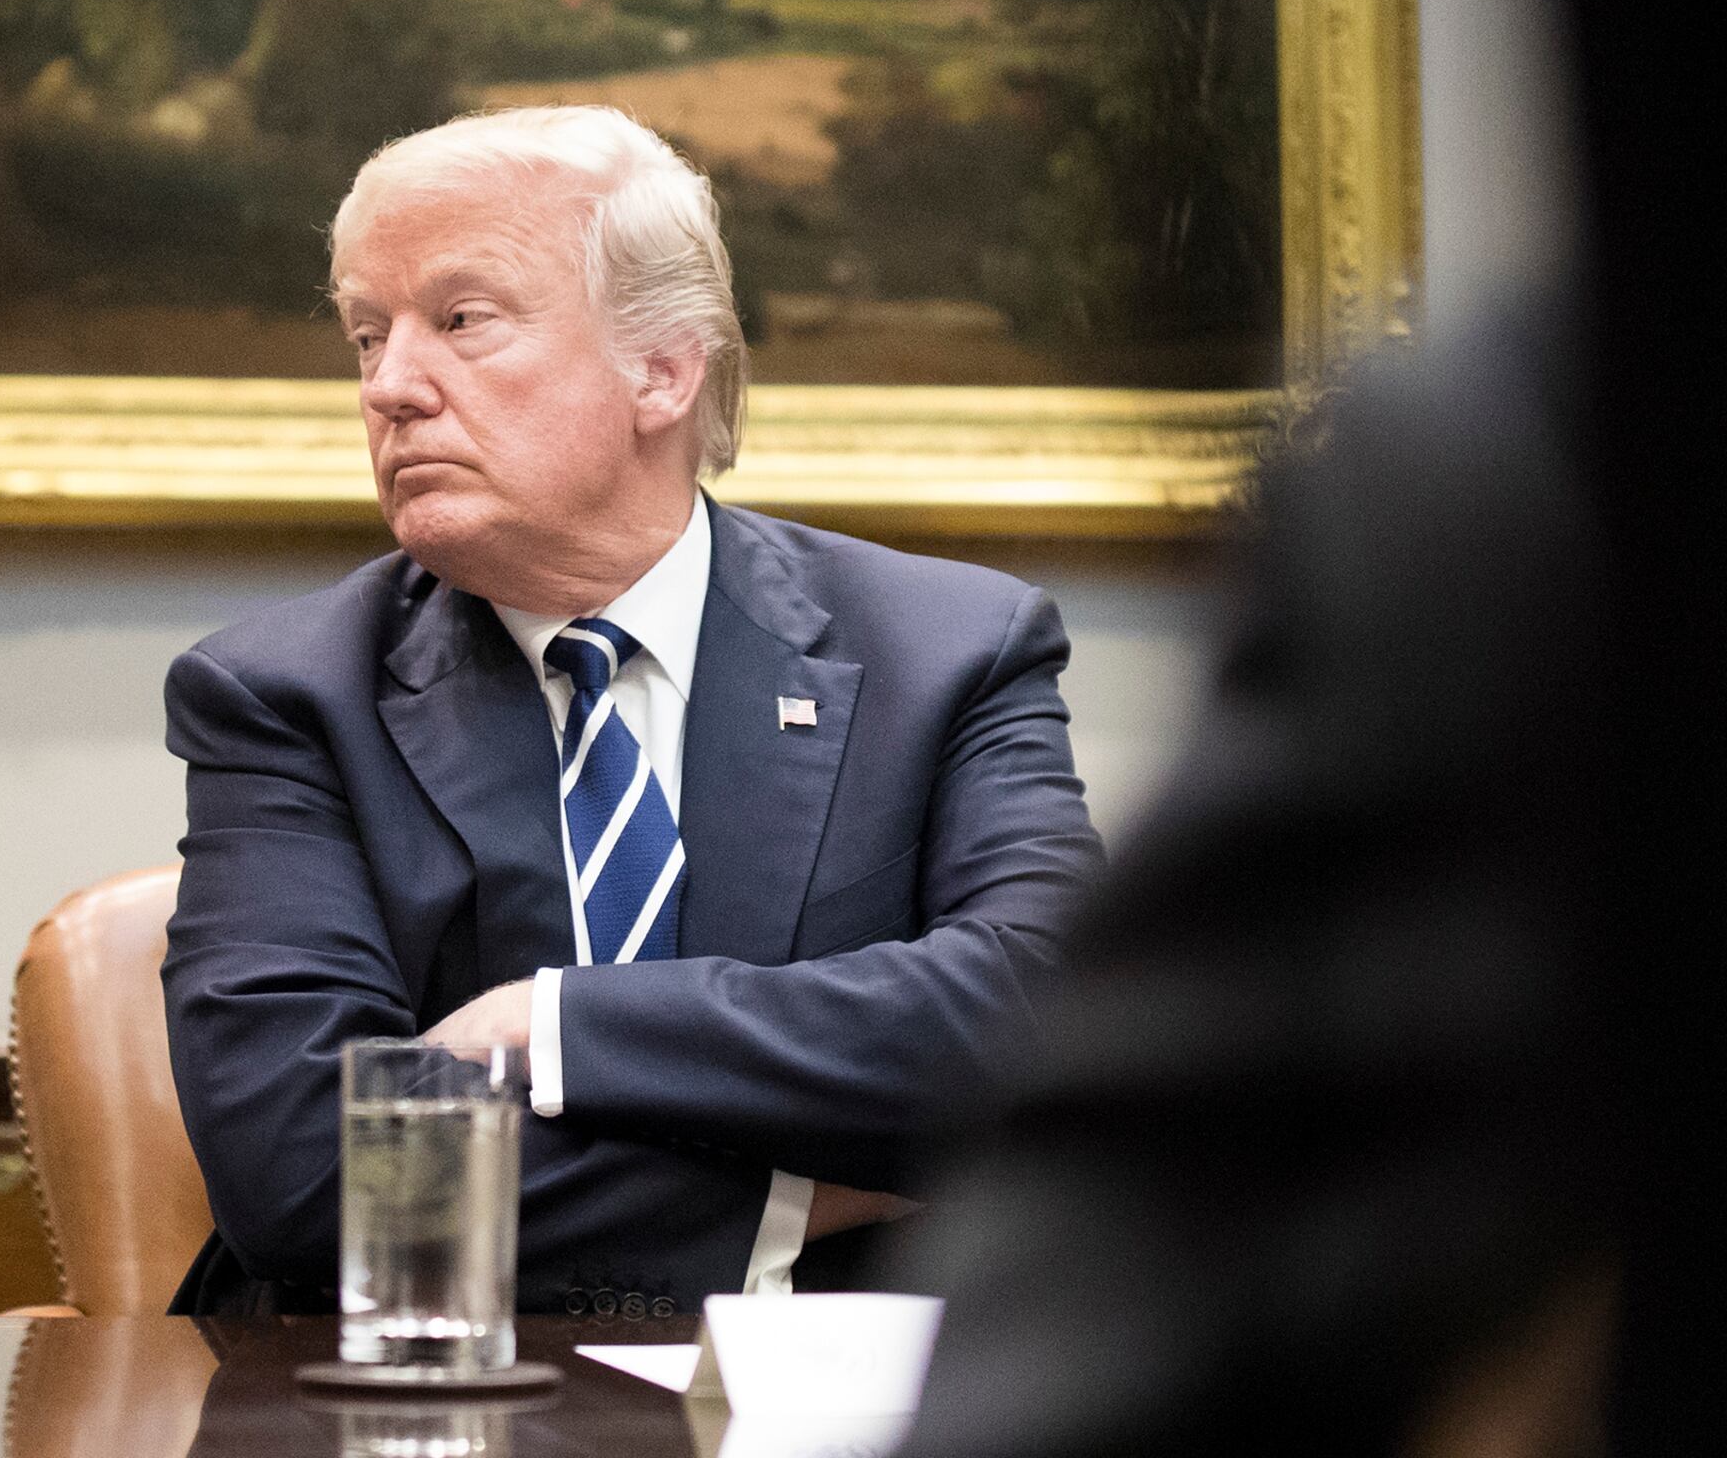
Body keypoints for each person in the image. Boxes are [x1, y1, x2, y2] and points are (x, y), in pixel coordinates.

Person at [160, 105, 1105, 1314]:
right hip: (424, 1405)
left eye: (460, 320)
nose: (390, 387)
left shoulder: (950, 652)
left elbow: (1051, 1016)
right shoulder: (285, 696)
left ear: (661, 367)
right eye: (364, 335)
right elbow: (304, 1174)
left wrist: (556, 1026)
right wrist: (820, 1190)